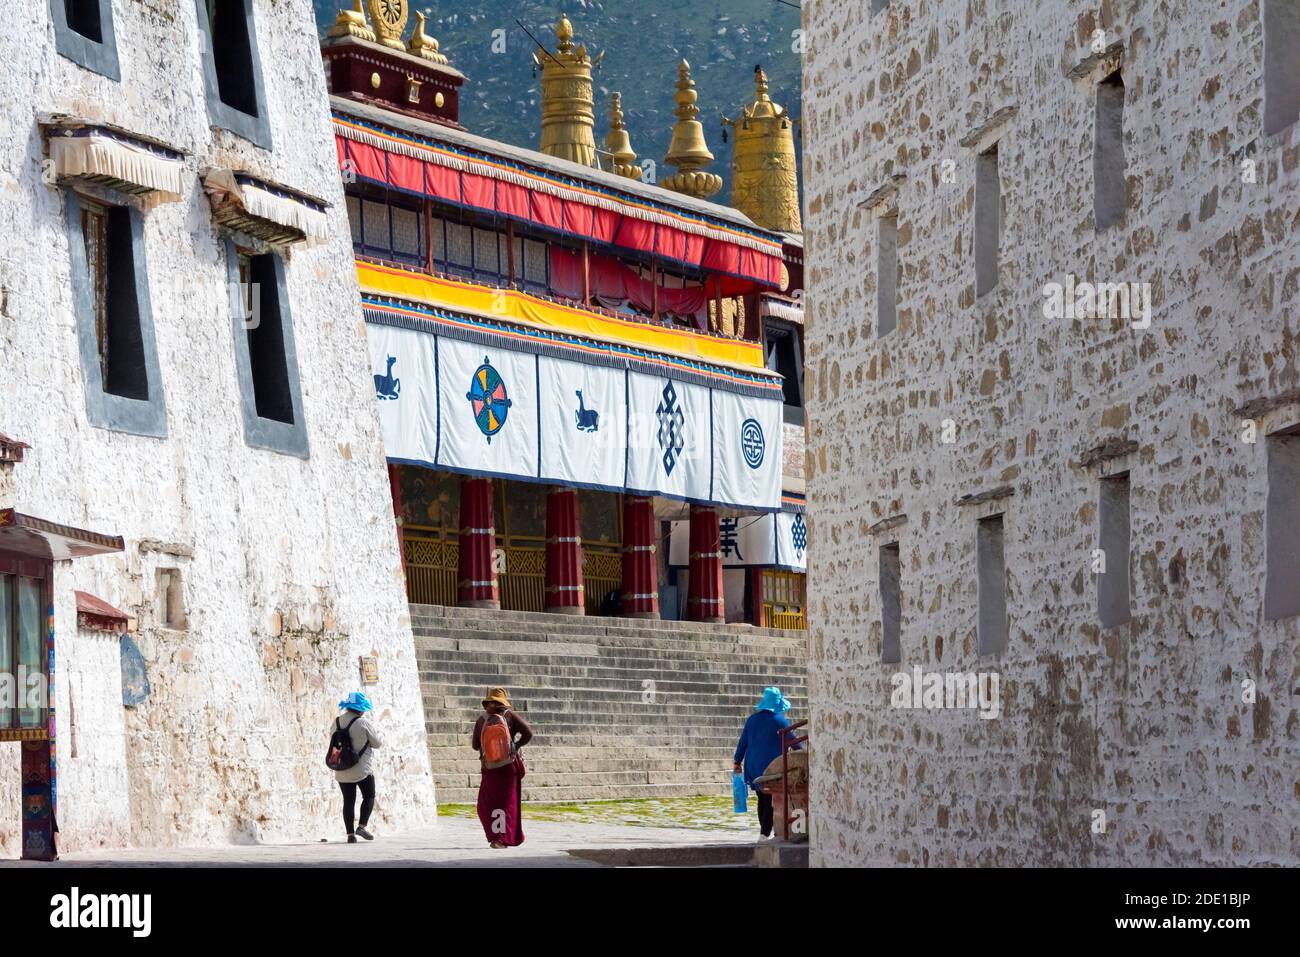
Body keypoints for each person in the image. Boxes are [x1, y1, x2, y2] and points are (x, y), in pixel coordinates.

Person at [733, 686, 798, 840]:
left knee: (762, 798)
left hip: (753, 766)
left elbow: (743, 742)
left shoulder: (752, 720)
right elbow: (795, 743)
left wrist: (737, 761)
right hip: (771, 767)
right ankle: (765, 832)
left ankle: (764, 830)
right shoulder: (780, 721)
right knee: (769, 799)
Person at [471, 687, 533, 848]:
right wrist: (515, 745)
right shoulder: (509, 716)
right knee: (507, 804)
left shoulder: (481, 720)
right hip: (508, 766)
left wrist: (490, 748)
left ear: (488, 703)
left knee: (486, 804)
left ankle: (496, 837)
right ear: (502, 703)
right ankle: (502, 839)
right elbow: (528, 733)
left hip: (489, 768)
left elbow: (475, 745)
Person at [331, 691, 383, 844]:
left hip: (341, 768)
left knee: (348, 800)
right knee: (369, 796)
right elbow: (377, 744)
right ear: (359, 709)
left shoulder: (337, 722)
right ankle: (362, 826)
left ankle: (350, 835)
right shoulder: (363, 723)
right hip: (362, 769)